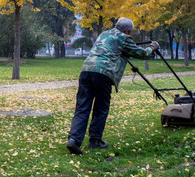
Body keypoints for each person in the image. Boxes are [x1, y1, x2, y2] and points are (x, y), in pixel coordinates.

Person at [66, 17, 159, 155]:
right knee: (101, 107)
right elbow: (143, 54)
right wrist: (153, 47)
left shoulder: (104, 34)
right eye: (130, 32)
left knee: (82, 107)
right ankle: (95, 141)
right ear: (127, 31)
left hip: (86, 70)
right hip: (103, 73)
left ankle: (74, 140)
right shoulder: (125, 38)